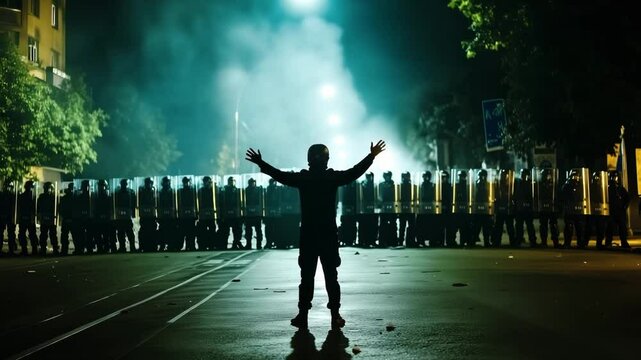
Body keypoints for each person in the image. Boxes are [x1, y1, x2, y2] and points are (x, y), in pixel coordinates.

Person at [245, 140, 386, 330]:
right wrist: (371, 156)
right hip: (328, 234)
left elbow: (280, 175)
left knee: (306, 278)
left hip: (309, 234)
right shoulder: (332, 178)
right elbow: (354, 172)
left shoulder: (304, 178)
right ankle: (335, 315)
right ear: (327, 159)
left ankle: (303, 315)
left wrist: (261, 163)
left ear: (309, 159)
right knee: (331, 277)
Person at [605, 171, 630, 248]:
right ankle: (608, 242)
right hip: (612, 211)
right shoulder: (607, 188)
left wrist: (624, 207)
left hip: (620, 211)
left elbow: (628, 198)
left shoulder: (620, 188)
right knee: (610, 227)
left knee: (622, 227)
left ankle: (624, 242)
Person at [37, 182, 58, 255]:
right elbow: (39, 207)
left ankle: (55, 249)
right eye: (46, 188)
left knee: (52, 234)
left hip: (51, 218)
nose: (47, 190)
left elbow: (56, 207)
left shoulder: (54, 197)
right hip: (45, 217)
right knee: (43, 235)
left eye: (48, 188)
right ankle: (43, 249)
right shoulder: (42, 197)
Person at [17, 181, 38, 255]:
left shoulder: (23, 196)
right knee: (31, 234)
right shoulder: (32, 196)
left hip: (25, 217)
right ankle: (32, 250)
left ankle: (25, 250)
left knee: (24, 234)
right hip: (28, 217)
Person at [0, 180, 18, 256]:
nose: (8, 188)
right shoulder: (2, 195)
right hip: (2, 216)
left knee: (11, 234)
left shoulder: (12, 196)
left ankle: (11, 250)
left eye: (9, 187)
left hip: (10, 217)